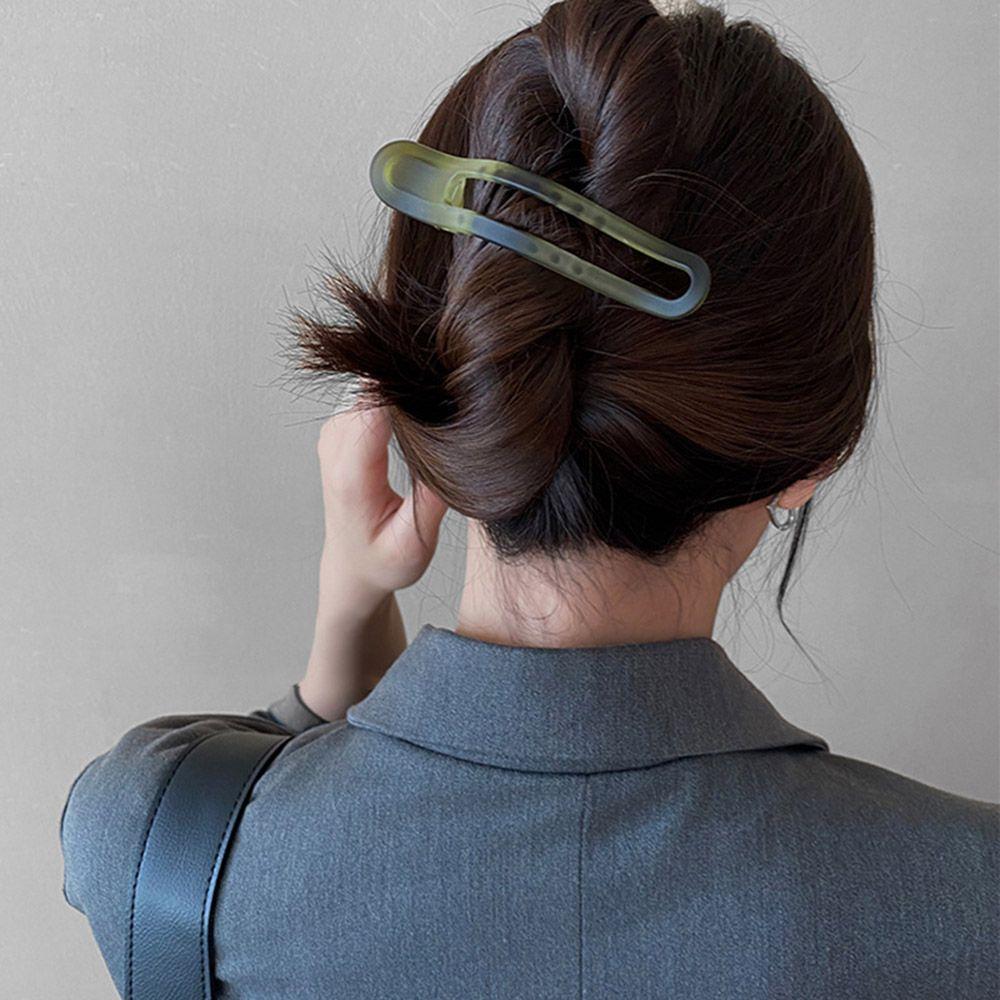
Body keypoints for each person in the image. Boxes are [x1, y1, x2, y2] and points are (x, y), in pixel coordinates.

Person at [59, 1, 998, 997]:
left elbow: (268, 815)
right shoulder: (968, 898)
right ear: (813, 454)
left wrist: (350, 614)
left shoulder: (157, 848)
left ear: (440, 379)